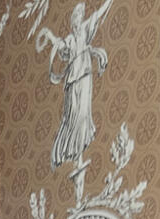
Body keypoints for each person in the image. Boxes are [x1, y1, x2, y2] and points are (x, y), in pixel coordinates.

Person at [45, 0, 111, 168]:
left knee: (82, 113)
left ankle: (78, 148)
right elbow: (61, 48)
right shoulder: (70, 39)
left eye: (81, 15)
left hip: (84, 74)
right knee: (71, 115)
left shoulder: (84, 30)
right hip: (72, 79)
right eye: (77, 16)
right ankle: (68, 149)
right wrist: (51, 37)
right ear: (73, 20)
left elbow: (99, 14)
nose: (79, 18)